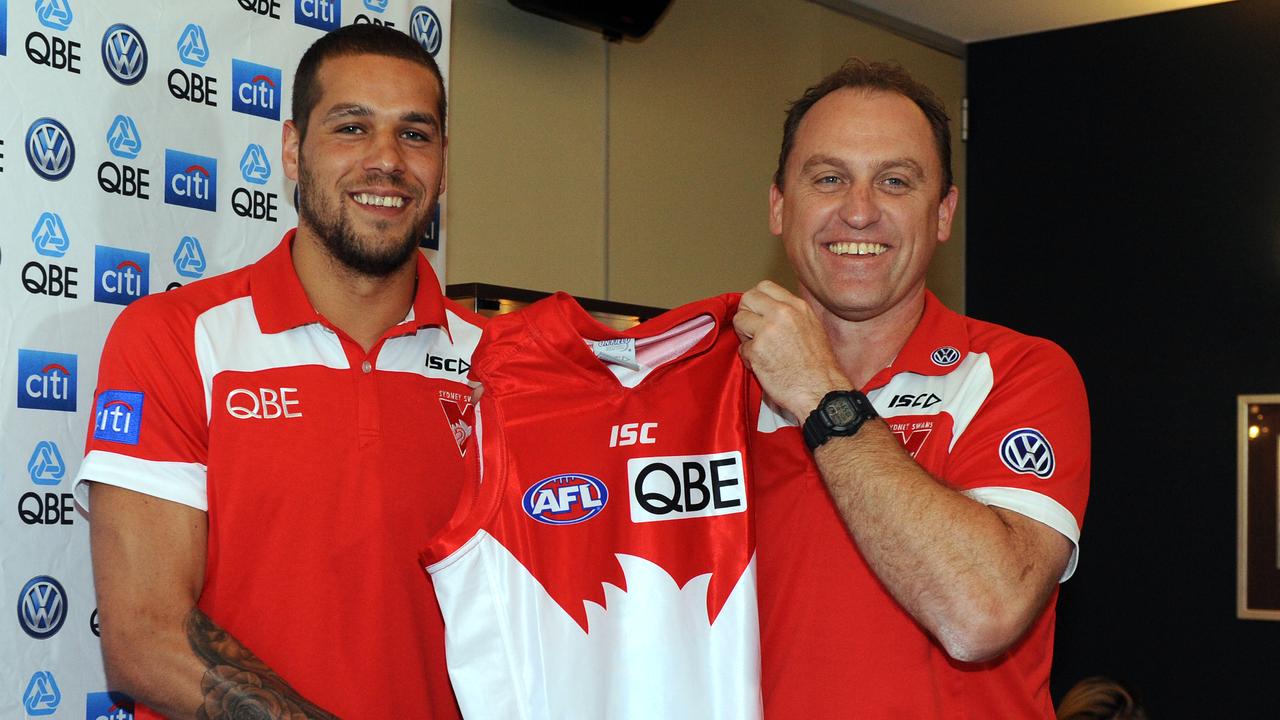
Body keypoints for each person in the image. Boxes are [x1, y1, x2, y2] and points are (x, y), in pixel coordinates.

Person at [75, 24, 481, 719]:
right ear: (293, 151)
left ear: (444, 163)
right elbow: (144, 637)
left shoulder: (495, 365)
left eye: (415, 135)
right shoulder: (174, 338)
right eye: (351, 128)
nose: (386, 161)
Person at [734, 59, 1090, 717]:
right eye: (829, 178)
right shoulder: (704, 389)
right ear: (780, 206)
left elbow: (982, 612)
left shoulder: (1018, 372)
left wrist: (818, 393)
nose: (860, 211)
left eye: (895, 181)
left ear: (943, 213)